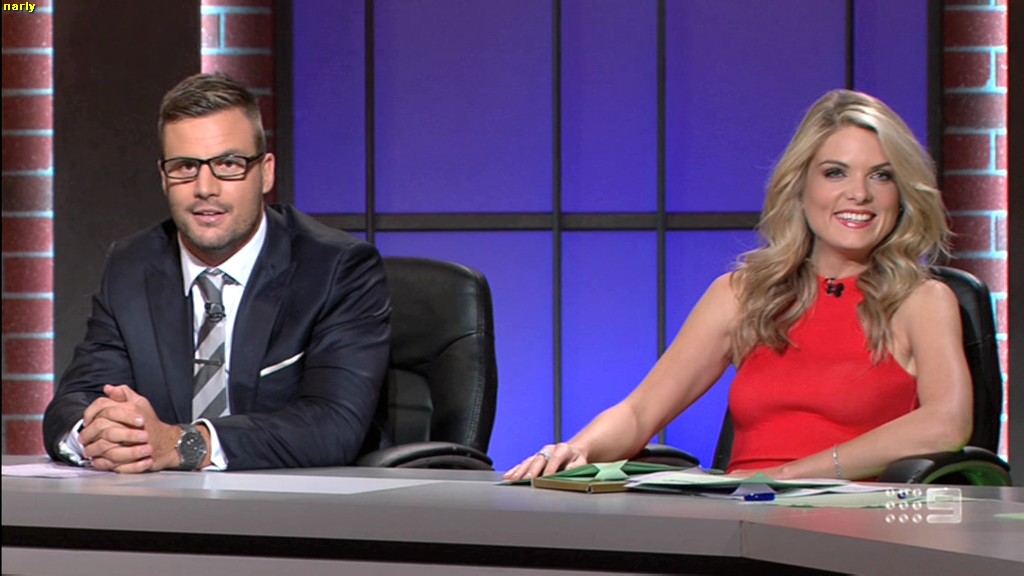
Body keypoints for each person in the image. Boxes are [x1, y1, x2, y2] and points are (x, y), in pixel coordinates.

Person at [505, 89, 972, 482]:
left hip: (857, 527)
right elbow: (639, 412)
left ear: (901, 195)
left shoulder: (923, 301)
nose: (860, 194)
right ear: (800, 187)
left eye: (882, 176)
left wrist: (788, 476)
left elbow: (946, 424)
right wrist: (575, 449)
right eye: (835, 172)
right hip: (740, 520)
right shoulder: (742, 294)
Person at [43, 73, 391, 473]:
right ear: (164, 178)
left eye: (228, 164)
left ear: (266, 172)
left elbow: (334, 424)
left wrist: (184, 445)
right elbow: (74, 401)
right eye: (185, 167)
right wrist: (99, 433)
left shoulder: (335, 268)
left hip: (297, 501)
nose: (205, 187)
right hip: (157, 500)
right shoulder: (132, 266)